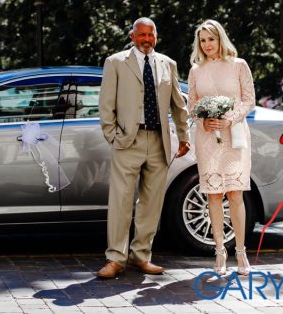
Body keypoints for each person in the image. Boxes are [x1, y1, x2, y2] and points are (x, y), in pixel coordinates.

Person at [97, 17, 190, 279]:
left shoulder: (167, 64)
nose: (146, 39)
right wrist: (113, 135)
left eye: (151, 35)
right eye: (141, 35)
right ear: (132, 36)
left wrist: (184, 136)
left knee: (151, 203)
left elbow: (177, 104)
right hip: (128, 140)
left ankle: (142, 256)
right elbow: (106, 104)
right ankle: (115, 258)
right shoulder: (116, 62)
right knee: (121, 202)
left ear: (156, 37)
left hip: (159, 141)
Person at [187, 19, 256, 277]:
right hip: (207, 138)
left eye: (211, 39)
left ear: (220, 39)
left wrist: (229, 118)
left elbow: (249, 100)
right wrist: (202, 119)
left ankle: (241, 252)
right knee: (213, 195)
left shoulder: (239, 65)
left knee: (235, 193)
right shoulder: (196, 70)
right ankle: (219, 252)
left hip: (234, 136)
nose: (207, 45)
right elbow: (191, 104)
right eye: (203, 41)